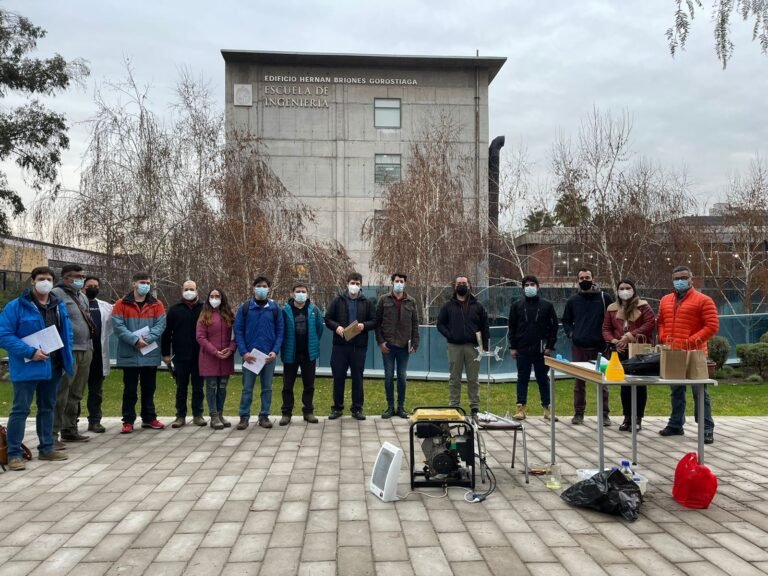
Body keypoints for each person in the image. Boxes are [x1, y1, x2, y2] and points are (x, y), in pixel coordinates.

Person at [0, 267, 74, 471]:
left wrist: (67, 359)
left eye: (49, 279)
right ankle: (14, 453)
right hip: (28, 366)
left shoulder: (58, 305)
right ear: (32, 281)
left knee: (48, 407)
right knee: (20, 409)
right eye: (41, 279)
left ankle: (47, 448)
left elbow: (66, 333)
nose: (45, 282)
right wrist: (30, 352)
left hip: (54, 366)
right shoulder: (16, 306)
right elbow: (4, 335)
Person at [657, 265, 718, 444]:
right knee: (676, 390)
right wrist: (662, 336)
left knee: (700, 392)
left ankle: (706, 428)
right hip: (673, 352)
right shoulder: (665, 300)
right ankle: (676, 424)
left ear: (692, 279)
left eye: (683, 277)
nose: (680, 281)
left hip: (695, 353)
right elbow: (660, 321)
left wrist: (691, 341)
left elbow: (712, 326)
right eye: (676, 278)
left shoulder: (703, 300)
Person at [112, 272, 167, 434]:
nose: (146, 285)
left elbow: (160, 325)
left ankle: (149, 418)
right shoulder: (121, 304)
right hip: (129, 354)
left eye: (148, 283)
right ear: (134, 284)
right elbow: (118, 326)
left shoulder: (157, 304)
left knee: (149, 388)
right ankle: (128, 420)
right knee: (129, 389)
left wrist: (148, 339)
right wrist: (134, 340)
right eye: (143, 282)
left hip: (149, 354)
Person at [601, 278, 655, 431]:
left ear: (633, 289)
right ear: (617, 292)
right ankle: (627, 418)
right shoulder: (612, 308)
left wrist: (630, 336)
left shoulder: (644, 306)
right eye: (622, 288)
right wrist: (614, 341)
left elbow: (650, 324)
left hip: (639, 352)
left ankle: (637, 418)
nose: (625, 291)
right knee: (624, 386)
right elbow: (606, 328)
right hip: (621, 350)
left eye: (628, 287)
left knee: (639, 385)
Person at [562, 268, 614, 426]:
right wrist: (572, 334)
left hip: (600, 347)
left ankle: (604, 414)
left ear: (593, 278)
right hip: (579, 346)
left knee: (602, 382)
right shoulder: (572, 301)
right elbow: (566, 321)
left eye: (587, 277)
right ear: (578, 280)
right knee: (579, 383)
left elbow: (613, 318)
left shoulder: (604, 298)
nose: (585, 280)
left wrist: (609, 338)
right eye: (582, 277)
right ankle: (578, 413)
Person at [51, 264, 95, 445]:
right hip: (68, 349)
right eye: (77, 276)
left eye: (82, 276)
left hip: (86, 348)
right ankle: (52, 434)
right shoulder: (56, 294)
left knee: (76, 392)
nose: (81, 279)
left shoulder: (82, 296)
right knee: (61, 392)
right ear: (66, 278)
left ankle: (69, 428)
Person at [234, 275, 284, 429]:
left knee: (267, 388)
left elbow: (280, 331)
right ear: (253, 287)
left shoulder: (275, 308)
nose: (261, 289)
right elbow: (238, 331)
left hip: (268, 357)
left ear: (269, 289)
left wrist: (275, 351)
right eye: (259, 286)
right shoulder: (245, 308)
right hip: (250, 357)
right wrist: (244, 352)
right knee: (247, 388)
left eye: (264, 286)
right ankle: (244, 417)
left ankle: (264, 416)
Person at [436, 275, 490, 420]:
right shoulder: (448, 306)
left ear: (469, 285)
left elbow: (485, 325)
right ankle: (454, 406)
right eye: (459, 283)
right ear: (455, 286)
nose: (461, 285)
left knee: (473, 379)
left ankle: (474, 407)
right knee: (454, 378)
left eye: (464, 283)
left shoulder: (478, 306)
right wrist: (450, 335)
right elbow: (440, 324)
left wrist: (485, 345)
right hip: (454, 346)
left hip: (473, 347)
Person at [324, 272, 376, 420]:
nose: (355, 286)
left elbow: (374, 321)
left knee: (357, 378)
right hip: (340, 346)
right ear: (347, 284)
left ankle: (357, 409)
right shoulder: (337, 301)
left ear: (361, 285)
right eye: (352, 283)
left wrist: (363, 325)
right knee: (338, 377)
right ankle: (337, 408)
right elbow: (328, 319)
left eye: (357, 284)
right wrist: (336, 327)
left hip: (358, 347)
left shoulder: (367, 302)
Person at [507, 275, 559, 421]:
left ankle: (547, 409)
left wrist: (550, 346)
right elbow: (512, 327)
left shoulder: (547, 305)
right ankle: (520, 409)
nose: (530, 287)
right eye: (527, 285)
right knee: (522, 378)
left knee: (543, 378)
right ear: (522, 288)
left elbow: (554, 327)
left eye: (532, 284)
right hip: (522, 349)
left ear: (538, 286)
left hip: (542, 350)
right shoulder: (516, 305)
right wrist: (513, 347)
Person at [162, 280, 206, 428]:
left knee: (198, 387)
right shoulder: (175, 309)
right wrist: (166, 354)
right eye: (186, 289)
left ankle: (198, 415)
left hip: (200, 355)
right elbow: (167, 333)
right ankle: (180, 416)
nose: (189, 292)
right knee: (181, 387)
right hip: (180, 355)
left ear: (197, 291)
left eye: (191, 289)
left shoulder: (204, 308)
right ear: (182, 291)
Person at [375, 272, 419, 419]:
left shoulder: (411, 301)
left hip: (404, 346)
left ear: (405, 283)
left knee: (402, 377)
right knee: (388, 376)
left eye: (402, 281)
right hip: (388, 345)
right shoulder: (383, 300)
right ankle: (389, 407)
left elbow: (415, 324)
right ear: (392, 282)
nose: (399, 283)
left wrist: (415, 343)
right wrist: (380, 341)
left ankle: (400, 407)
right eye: (397, 281)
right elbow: (377, 322)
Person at [280, 283, 324, 425]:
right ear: (292, 294)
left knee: (309, 385)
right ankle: (286, 413)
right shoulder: (285, 310)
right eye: (298, 291)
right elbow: (281, 330)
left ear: (307, 293)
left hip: (308, 354)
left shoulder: (314, 310)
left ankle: (308, 412)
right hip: (290, 354)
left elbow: (319, 329)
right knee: (287, 385)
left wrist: (313, 342)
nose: (301, 294)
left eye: (303, 291)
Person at [196, 288, 237, 430]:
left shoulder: (229, 314)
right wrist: (214, 351)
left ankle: (220, 413)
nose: (214, 298)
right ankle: (213, 415)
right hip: (209, 357)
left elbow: (235, 336)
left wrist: (231, 349)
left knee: (222, 386)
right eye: (212, 296)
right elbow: (200, 337)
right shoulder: (204, 315)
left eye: (217, 296)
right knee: (211, 386)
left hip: (225, 357)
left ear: (222, 298)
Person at [82, 276, 113, 433]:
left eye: (95, 285)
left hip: (99, 355)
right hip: (81, 354)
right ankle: (70, 424)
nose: (93, 288)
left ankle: (95, 421)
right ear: (83, 287)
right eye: (89, 285)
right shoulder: (76, 304)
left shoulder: (106, 307)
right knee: (76, 391)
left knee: (96, 391)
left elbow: (110, 328)